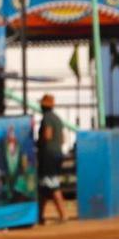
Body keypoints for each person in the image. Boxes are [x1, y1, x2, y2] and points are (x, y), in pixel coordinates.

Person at [36, 93, 70, 225]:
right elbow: (62, 139)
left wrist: (39, 143)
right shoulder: (57, 118)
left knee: (52, 184)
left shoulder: (47, 119)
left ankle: (63, 214)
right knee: (44, 187)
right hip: (57, 154)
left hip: (48, 155)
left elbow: (47, 135)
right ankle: (40, 216)